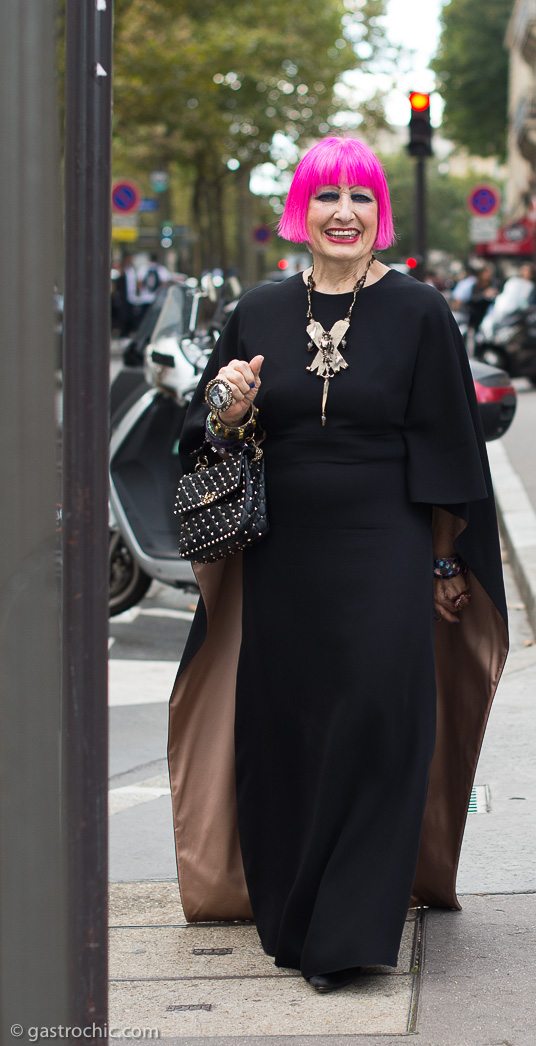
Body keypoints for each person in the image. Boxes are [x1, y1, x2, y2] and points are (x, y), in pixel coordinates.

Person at [167, 138, 508, 995]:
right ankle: (291, 910)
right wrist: (231, 408)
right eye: (327, 197)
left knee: (378, 724)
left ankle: (350, 930)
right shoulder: (259, 309)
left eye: (361, 196)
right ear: (302, 211)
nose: (344, 213)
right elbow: (208, 430)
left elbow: (450, 442)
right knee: (286, 729)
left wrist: (443, 562)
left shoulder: (421, 310)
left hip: (385, 544)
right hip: (282, 556)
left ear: (379, 212)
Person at [137, 252, 171, 318]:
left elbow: (139, 284)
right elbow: (166, 283)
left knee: (145, 319)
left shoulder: (143, 269)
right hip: (158, 299)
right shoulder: (162, 269)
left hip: (145, 299)